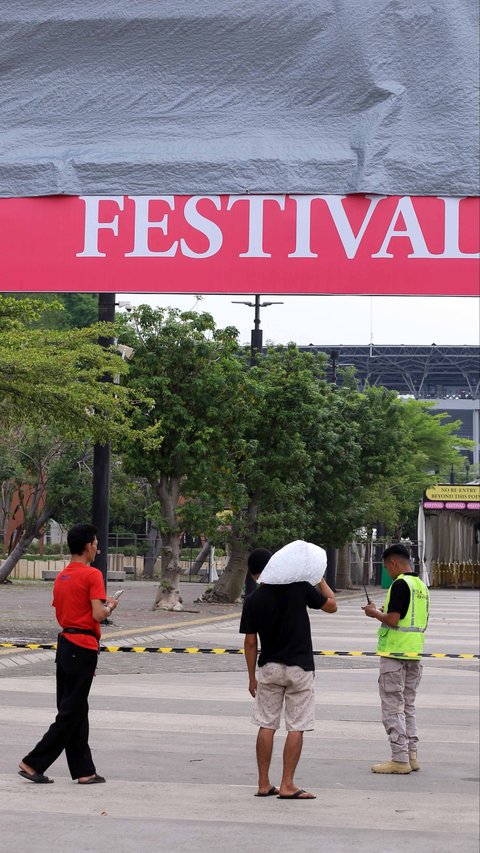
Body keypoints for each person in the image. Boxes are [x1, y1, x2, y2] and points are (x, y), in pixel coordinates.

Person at [18, 523, 119, 784]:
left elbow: (62, 610)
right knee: (70, 712)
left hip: (65, 644)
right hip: (83, 646)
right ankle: (32, 762)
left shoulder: (63, 576)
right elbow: (97, 614)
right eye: (96, 543)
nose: (97, 547)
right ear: (87, 546)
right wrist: (110, 607)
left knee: (76, 708)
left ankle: (84, 770)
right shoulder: (91, 575)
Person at [240, 547, 337, 800]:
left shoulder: (253, 600)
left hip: (269, 668)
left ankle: (263, 783)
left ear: (253, 575)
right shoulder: (299, 587)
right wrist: (320, 579)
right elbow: (332, 606)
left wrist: (251, 677)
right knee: (296, 726)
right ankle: (287, 784)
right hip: (300, 668)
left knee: (266, 724)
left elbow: (250, 643)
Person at [362, 543, 430, 774]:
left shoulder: (400, 584)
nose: (387, 572)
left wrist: (374, 613)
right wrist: (382, 611)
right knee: (408, 705)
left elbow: (392, 620)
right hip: (414, 654)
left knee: (392, 706)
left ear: (393, 563)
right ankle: (412, 755)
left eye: (386, 567)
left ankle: (399, 759)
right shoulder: (421, 585)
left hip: (394, 654)